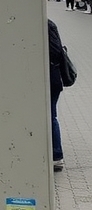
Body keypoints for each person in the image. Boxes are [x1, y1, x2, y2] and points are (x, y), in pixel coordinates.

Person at [47, 19, 66, 172]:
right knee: (51, 115)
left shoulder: (45, 25)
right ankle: (55, 155)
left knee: (50, 116)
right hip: (53, 78)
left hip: (49, 79)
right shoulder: (49, 24)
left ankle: (56, 154)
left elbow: (55, 52)